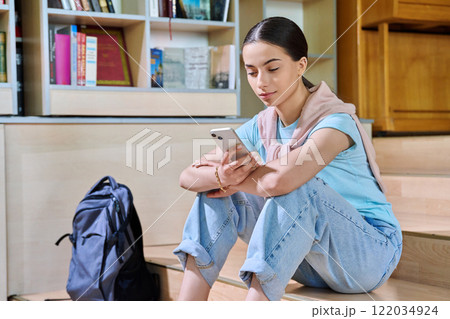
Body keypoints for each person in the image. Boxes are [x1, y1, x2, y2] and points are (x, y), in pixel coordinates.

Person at [173, 16, 402, 301]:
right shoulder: (262, 124)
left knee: (298, 186)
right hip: (309, 259)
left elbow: (284, 180)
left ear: (301, 65)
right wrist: (222, 178)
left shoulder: (336, 122)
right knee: (215, 190)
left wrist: (234, 180)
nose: (261, 82)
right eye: (252, 72)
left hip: (368, 256)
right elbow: (187, 176)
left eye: (272, 68)